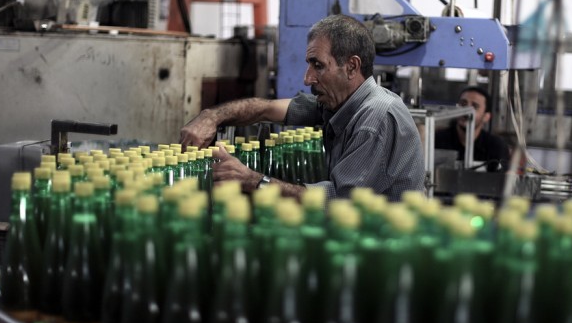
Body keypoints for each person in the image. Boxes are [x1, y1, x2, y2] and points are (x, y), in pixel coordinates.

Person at [179, 14, 426, 201]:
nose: (307, 79)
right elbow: (266, 109)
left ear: (351, 67)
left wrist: (252, 180)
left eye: (318, 66)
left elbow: (337, 202)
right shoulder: (338, 104)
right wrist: (212, 116)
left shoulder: (376, 118)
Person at [435, 86, 511, 172]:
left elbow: (502, 178)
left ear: (486, 117)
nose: (466, 111)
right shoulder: (437, 140)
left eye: (475, 106)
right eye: (463, 104)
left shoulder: (496, 146)